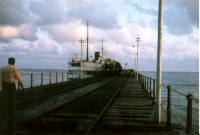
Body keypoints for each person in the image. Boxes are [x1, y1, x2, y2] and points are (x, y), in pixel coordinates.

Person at [0, 57, 24, 134]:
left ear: (8, 62)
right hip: (11, 85)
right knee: (12, 100)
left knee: (5, 100)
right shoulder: (15, 69)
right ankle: (12, 115)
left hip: (5, 85)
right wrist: (22, 86)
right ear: (14, 62)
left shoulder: (3, 69)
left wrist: (0, 87)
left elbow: (1, 79)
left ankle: (4, 115)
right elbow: (19, 78)